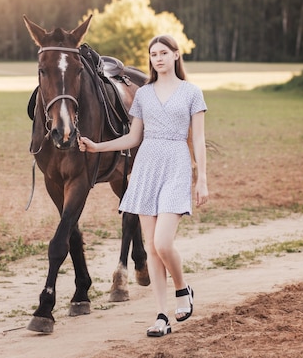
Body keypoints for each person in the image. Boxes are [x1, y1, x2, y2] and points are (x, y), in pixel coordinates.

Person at [78, 34, 208, 337]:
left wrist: (201, 178)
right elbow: (134, 138)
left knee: (163, 243)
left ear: (176, 55)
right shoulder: (144, 95)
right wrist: (98, 147)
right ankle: (162, 316)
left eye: (164, 52)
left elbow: (198, 139)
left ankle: (182, 288)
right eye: (153, 54)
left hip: (176, 164)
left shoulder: (192, 93)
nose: (158, 58)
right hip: (146, 167)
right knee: (150, 248)